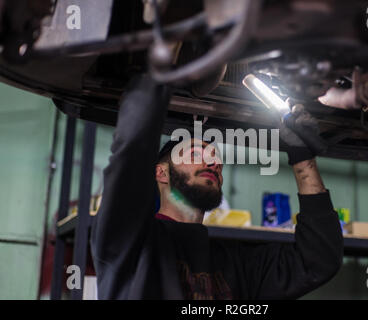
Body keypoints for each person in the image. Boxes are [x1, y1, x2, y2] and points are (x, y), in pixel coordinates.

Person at [90, 74, 343, 299]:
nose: (212, 162)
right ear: (160, 172)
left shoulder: (236, 263)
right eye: (193, 153)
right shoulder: (130, 241)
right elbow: (130, 157)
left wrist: (302, 159)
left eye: (215, 158)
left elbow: (318, 261)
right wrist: (157, 73)